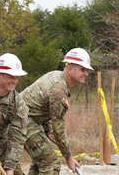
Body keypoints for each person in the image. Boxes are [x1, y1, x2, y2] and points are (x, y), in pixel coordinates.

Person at [20, 47, 94, 175]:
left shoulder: (57, 77)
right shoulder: (59, 89)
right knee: (50, 163)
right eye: (82, 69)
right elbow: (58, 127)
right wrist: (68, 156)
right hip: (21, 121)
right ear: (70, 69)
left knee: (41, 162)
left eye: (86, 70)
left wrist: (47, 128)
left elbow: (40, 108)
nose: (86, 73)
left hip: (28, 120)